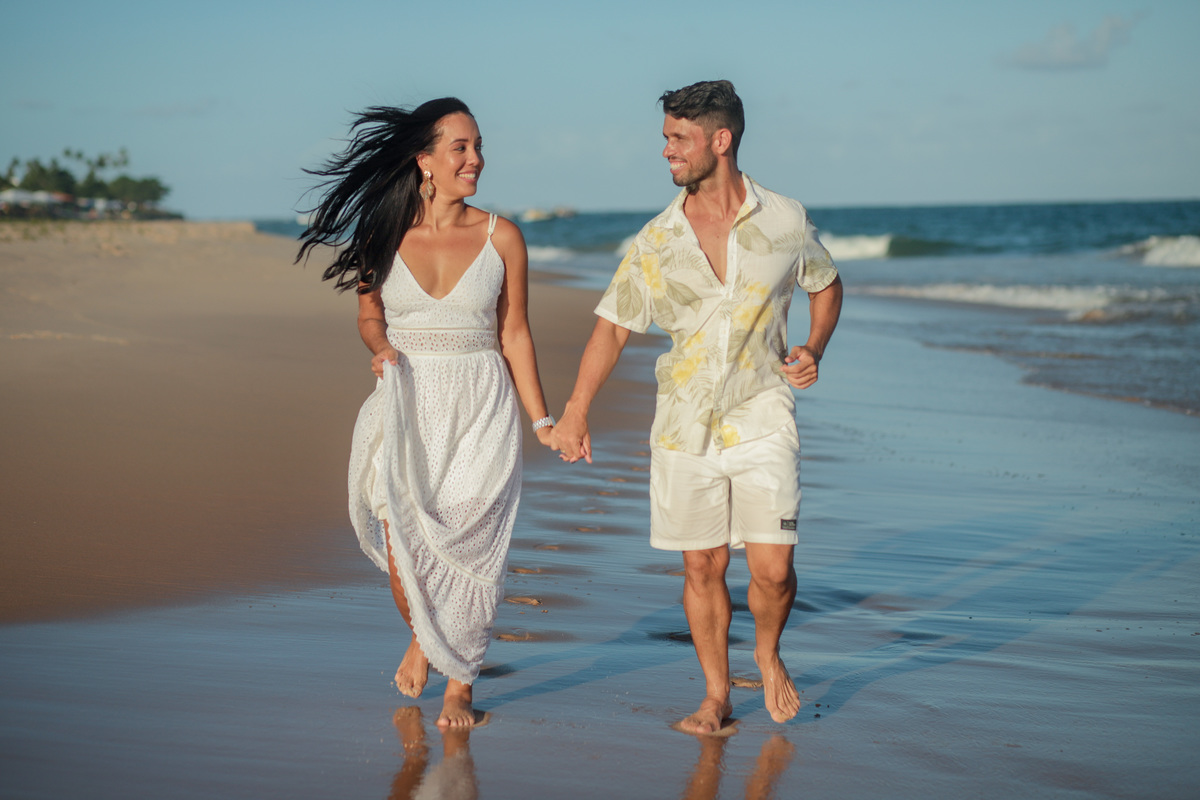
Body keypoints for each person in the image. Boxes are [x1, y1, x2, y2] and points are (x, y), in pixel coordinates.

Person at [551, 81, 843, 735]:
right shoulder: (655, 240)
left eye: (677, 138)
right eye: (664, 138)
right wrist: (575, 409)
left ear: (721, 139)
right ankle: (716, 695)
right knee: (702, 564)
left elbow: (825, 285)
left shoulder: (786, 219)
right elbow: (612, 327)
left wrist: (814, 347)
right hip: (683, 425)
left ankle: (767, 653)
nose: (666, 151)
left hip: (765, 412)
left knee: (773, 570)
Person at [297, 99, 555, 728]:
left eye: (478, 146)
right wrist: (381, 347)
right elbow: (368, 315)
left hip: (480, 401)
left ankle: (460, 682)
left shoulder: (503, 236)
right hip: (408, 398)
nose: (476, 159)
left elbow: (515, 333)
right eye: (461, 147)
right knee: (402, 541)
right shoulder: (381, 235)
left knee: (472, 543)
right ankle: (425, 634)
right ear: (426, 161)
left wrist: (543, 419)